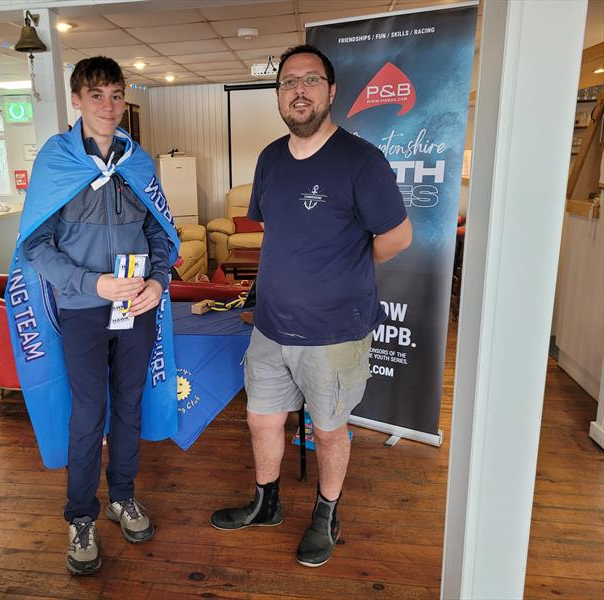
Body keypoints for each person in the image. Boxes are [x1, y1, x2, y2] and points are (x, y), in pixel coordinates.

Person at [210, 44, 412, 568]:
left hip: (335, 331)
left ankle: (326, 514)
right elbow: (276, 229)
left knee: (327, 429)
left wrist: (347, 264)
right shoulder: (271, 158)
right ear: (278, 94)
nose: (298, 90)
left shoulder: (361, 160)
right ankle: (267, 503)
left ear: (331, 91)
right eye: (287, 82)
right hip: (271, 326)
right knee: (261, 420)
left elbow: (398, 237)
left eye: (310, 80)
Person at [22, 56, 175, 576]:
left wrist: (158, 280)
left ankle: (123, 497)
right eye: (96, 95)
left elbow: (159, 232)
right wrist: (93, 284)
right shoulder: (56, 160)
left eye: (115, 95)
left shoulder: (138, 161)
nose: (108, 106)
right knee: (89, 413)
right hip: (84, 310)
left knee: (129, 405)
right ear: (76, 100)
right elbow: (36, 246)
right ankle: (81, 515)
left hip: (136, 306)